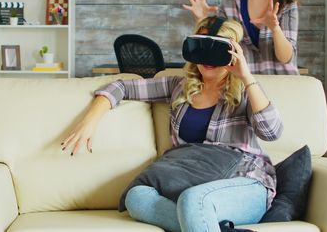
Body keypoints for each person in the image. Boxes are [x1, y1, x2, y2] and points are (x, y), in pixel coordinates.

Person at [62, 17, 283, 232]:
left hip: (243, 183)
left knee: (192, 200)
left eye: (216, 49)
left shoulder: (246, 91)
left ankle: (200, 220)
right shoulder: (178, 86)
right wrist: (90, 121)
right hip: (190, 183)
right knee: (137, 197)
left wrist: (246, 77)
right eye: (201, 46)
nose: (206, 57)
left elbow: (271, 132)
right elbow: (121, 86)